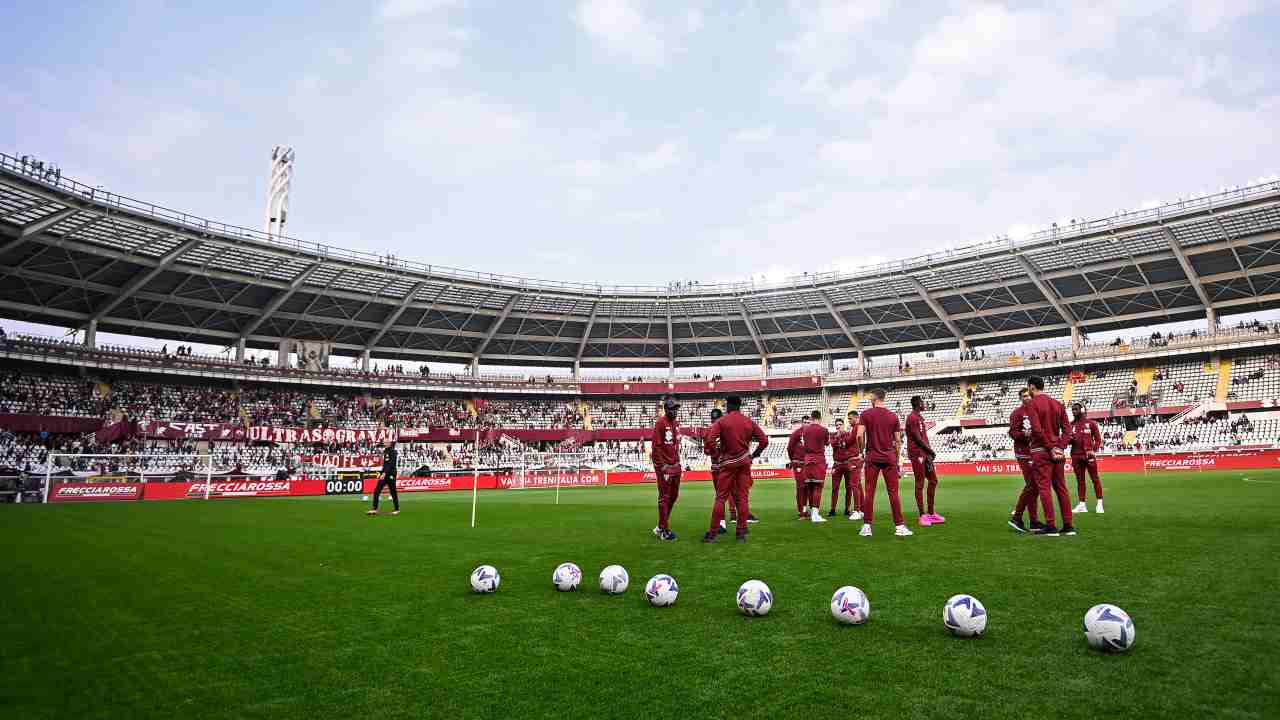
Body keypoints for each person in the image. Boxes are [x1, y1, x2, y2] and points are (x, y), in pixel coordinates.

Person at [702, 395, 768, 543]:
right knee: (742, 498)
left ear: (729, 406)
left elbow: (710, 440)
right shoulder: (748, 421)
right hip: (744, 463)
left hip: (728, 464)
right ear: (739, 406)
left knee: (720, 498)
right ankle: (741, 533)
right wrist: (754, 455)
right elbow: (764, 440)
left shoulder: (722, 421)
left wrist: (718, 454)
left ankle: (712, 533)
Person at [1025, 375, 1075, 536]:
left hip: (1041, 451)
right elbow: (1067, 430)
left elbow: (1037, 430)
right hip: (1058, 452)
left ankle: (1051, 525)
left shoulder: (1032, 404)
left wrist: (1050, 447)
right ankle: (1068, 525)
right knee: (1061, 488)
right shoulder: (1058, 404)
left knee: (1044, 488)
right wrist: (1059, 447)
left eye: (1029, 389)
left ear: (1032, 387)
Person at [859, 388, 912, 537]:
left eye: (870, 397)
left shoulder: (866, 414)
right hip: (889, 457)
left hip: (872, 457)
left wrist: (861, 451)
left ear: (874, 398)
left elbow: (859, 435)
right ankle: (899, 526)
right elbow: (897, 441)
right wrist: (895, 458)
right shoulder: (893, 416)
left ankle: (867, 526)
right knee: (894, 493)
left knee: (869, 492)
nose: (870, 399)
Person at [1006, 388, 1043, 533]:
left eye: (1028, 395)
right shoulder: (1017, 413)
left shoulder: (1037, 410)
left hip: (1035, 452)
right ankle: (1017, 516)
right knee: (1032, 484)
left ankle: (1033, 521)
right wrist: (1024, 434)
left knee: (1035, 487)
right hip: (1024, 453)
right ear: (1020, 398)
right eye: (1023, 396)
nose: (1026, 398)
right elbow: (1012, 432)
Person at [906, 395, 944, 526]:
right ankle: (922, 516)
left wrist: (928, 452)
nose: (924, 404)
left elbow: (923, 437)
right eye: (922, 402)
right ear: (917, 404)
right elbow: (917, 438)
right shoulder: (912, 418)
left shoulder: (920, 418)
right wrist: (931, 451)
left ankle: (931, 513)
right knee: (920, 483)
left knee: (933, 480)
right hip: (917, 454)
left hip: (925, 453)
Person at [650, 395, 681, 541]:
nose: (675, 411)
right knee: (664, 497)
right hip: (665, 467)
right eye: (672, 409)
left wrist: (678, 462)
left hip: (675, 466)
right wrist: (662, 466)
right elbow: (656, 446)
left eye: (676, 409)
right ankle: (664, 530)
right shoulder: (661, 424)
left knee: (674, 496)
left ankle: (661, 525)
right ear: (666, 409)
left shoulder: (675, 423)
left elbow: (675, 445)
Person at [1068, 403, 1104, 514]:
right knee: (1080, 481)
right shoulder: (1071, 425)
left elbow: (1098, 439)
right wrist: (1069, 439)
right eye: (1073, 409)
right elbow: (1068, 440)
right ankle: (1082, 505)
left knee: (1095, 479)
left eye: (1076, 409)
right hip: (1075, 455)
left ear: (1082, 410)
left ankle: (1099, 504)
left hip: (1089, 456)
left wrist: (1094, 450)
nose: (1074, 411)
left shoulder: (1091, 423)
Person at [827, 416, 861, 519]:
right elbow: (833, 445)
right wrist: (839, 438)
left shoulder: (848, 434)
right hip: (837, 464)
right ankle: (833, 509)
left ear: (843, 425)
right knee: (834, 488)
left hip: (847, 463)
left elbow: (848, 443)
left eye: (840, 425)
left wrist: (842, 439)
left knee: (849, 487)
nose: (838, 427)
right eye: (836, 425)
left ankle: (847, 509)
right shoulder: (833, 435)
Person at [801, 410, 830, 522]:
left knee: (810, 487)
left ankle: (810, 511)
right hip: (818, 460)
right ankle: (815, 514)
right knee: (818, 487)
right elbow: (827, 443)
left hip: (807, 460)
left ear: (811, 418)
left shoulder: (805, 430)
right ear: (820, 418)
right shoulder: (823, 430)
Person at [366, 440, 400, 516]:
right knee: (377, 490)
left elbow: (391, 464)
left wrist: (384, 473)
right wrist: (382, 473)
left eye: (386, 442)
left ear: (390, 443)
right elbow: (385, 464)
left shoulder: (393, 452)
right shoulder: (385, 451)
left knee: (393, 492)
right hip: (384, 474)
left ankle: (397, 509)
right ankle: (374, 509)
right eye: (384, 442)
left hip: (391, 474)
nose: (384, 443)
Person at [786, 417, 808, 519]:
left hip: (808, 463)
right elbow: (789, 448)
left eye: (808, 422)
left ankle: (805, 509)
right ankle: (801, 511)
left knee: (808, 487)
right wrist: (793, 460)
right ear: (802, 423)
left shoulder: (811, 433)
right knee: (801, 487)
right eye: (805, 422)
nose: (807, 424)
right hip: (799, 463)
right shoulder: (796, 433)